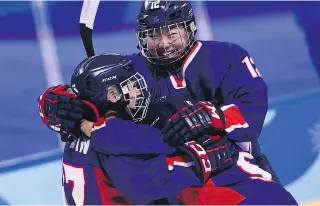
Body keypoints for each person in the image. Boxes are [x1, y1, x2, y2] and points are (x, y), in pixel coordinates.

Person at [39, 53, 297, 205]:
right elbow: (151, 177)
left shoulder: (83, 127)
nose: (139, 91)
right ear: (111, 95)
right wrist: (202, 158)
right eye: (130, 86)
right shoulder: (113, 139)